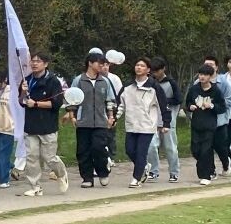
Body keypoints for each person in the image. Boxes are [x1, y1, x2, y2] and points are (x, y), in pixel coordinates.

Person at [18, 51, 68, 197]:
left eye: (38, 61)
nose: (34, 64)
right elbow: (21, 102)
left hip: (48, 125)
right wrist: (23, 92)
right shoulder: (27, 80)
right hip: (31, 125)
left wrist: (36, 104)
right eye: (33, 61)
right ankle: (35, 186)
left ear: (45, 64)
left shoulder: (53, 81)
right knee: (31, 157)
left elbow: (56, 103)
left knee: (49, 157)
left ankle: (61, 173)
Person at [116, 57, 170, 188]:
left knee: (141, 152)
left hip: (147, 125)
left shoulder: (154, 86)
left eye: (142, 66)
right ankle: (144, 166)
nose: (139, 67)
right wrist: (114, 118)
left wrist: (166, 123)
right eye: (137, 65)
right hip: (131, 124)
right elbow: (120, 105)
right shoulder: (127, 86)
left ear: (148, 70)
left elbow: (163, 106)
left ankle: (136, 178)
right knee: (130, 150)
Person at [66, 53, 116, 189]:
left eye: (103, 64)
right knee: (83, 150)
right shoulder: (78, 80)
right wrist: (72, 115)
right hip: (83, 121)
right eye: (99, 63)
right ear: (90, 63)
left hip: (100, 121)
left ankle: (103, 172)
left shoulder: (105, 81)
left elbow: (109, 100)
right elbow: (71, 99)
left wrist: (111, 116)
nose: (102, 66)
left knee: (99, 147)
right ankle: (87, 178)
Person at [186, 63, 227, 186]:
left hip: (209, 125)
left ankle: (205, 175)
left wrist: (212, 106)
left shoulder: (216, 91)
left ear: (210, 76)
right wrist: (190, 107)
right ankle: (207, 169)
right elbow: (187, 103)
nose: (202, 77)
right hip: (196, 124)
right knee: (196, 150)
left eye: (205, 75)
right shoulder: (194, 89)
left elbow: (222, 108)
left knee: (206, 150)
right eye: (200, 74)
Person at [148, 57, 182, 182]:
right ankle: (153, 171)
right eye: (153, 71)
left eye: (157, 71)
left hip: (168, 120)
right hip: (153, 119)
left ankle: (174, 172)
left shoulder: (171, 83)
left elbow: (178, 99)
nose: (155, 74)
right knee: (151, 146)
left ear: (163, 69)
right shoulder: (150, 82)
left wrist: (163, 100)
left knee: (170, 148)